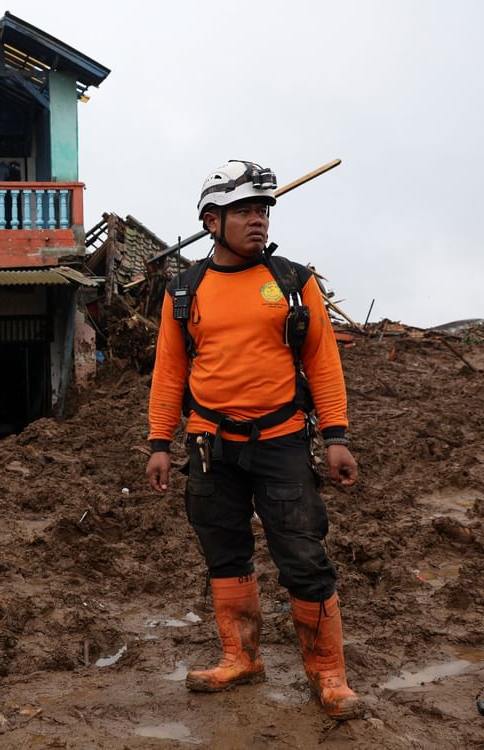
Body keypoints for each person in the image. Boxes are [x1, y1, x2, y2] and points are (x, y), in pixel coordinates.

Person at [145, 160, 363, 720]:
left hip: (283, 441)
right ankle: (241, 657)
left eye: (262, 209)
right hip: (208, 445)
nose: (258, 220)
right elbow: (169, 370)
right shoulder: (184, 289)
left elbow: (324, 361)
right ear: (211, 221)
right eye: (243, 210)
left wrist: (336, 435)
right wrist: (159, 442)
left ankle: (328, 674)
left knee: (303, 556)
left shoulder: (293, 283)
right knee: (224, 551)